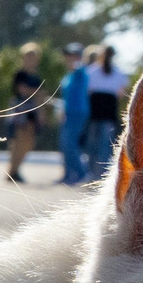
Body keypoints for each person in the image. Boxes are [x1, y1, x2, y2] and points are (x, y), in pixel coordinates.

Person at [82, 45, 128, 181]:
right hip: (104, 114)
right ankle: (100, 174)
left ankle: (93, 173)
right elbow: (121, 93)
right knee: (104, 145)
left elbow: (87, 91)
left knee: (94, 145)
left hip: (97, 114)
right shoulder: (118, 74)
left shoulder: (91, 72)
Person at [5, 43, 44, 184]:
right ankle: (12, 170)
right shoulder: (20, 74)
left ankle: (16, 169)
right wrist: (38, 93)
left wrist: (41, 113)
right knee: (18, 142)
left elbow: (39, 98)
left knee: (28, 142)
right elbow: (22, 91)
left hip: (32, 112)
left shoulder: (36, 77)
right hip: (20, 112)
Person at [57, 42, 90, 184]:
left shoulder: (80, 71)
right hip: (68, 112)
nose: (69, 57)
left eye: (73, 54)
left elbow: (79, 68)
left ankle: (81, 173)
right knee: (64, 144)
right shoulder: (69, 74)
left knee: (70, 144)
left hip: (78, 112)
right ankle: (68, 174)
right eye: (68, 55)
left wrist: (76, 63)